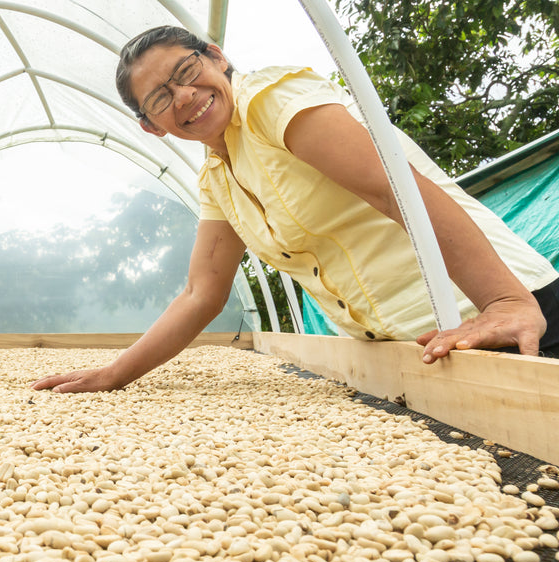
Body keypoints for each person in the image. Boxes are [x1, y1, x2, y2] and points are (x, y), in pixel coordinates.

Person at [33, 25, 559, 394]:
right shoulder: (218, 176)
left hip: (507, 322)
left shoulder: (270, 101)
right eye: (160, 98)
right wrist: (114, 374)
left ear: (217, 57)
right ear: (152, 126)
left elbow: (397, 189)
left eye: (189, 70)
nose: (186, 95)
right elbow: (201, 293)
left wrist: (506, 301)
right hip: (428, 353)